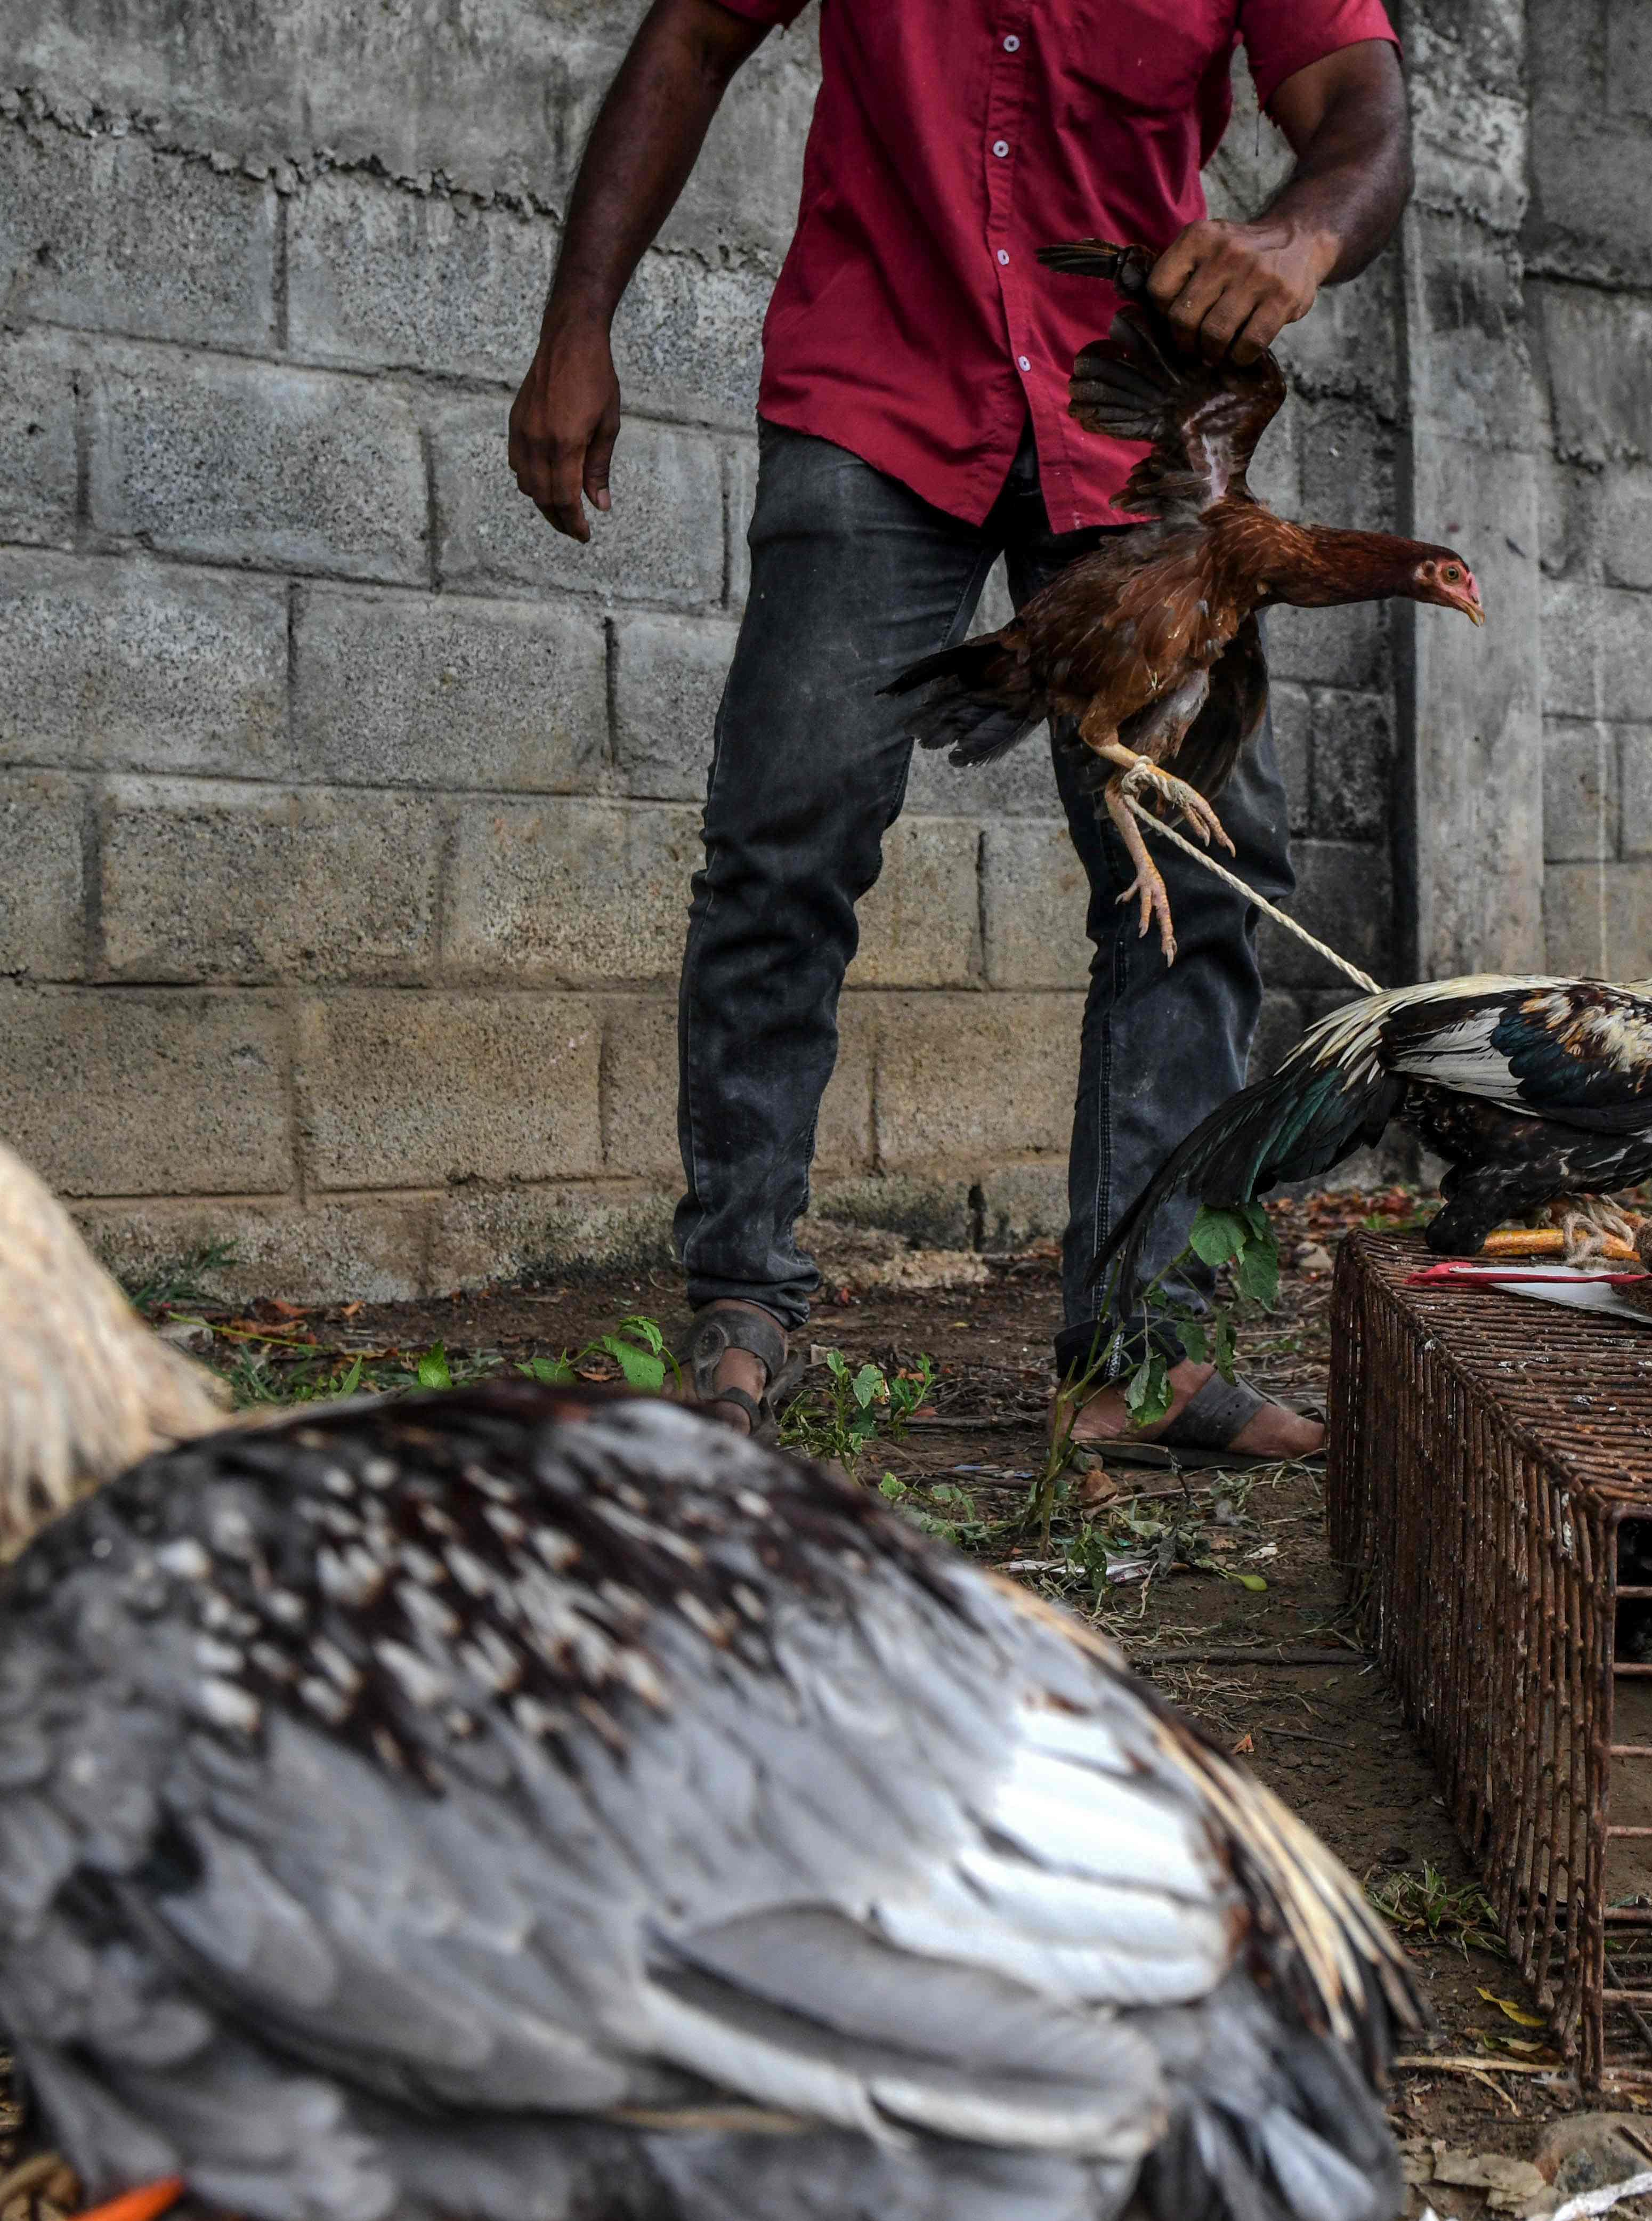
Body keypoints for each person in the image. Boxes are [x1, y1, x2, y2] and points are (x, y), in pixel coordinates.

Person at [509, 0, 1407, 1457]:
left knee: (1196, 857)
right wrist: (576, 323)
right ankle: (742, 1307)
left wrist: (1301, 233)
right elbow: (688, 39)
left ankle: (1142, 1349)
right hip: (876, 395)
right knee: (785, 840)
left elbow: (1362, 105)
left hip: (1130, 424)